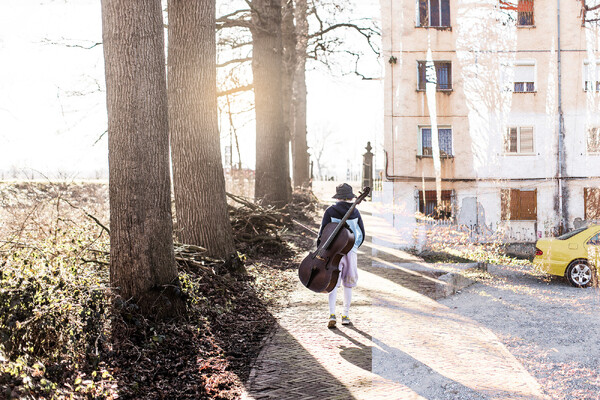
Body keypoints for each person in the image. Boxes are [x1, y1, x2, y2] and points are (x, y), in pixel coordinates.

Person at [317, 183, 365, 328]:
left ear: (338, 197)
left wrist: (322, 249)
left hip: (333, 252)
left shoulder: (330, 211)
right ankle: (346, 315)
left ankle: (332, 314)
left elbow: (322, 234)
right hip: (350, 252)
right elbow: (361, 234)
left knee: (332, 284)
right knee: (348, 284)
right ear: (350, 197)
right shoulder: (355, 212)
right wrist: (354, 247)